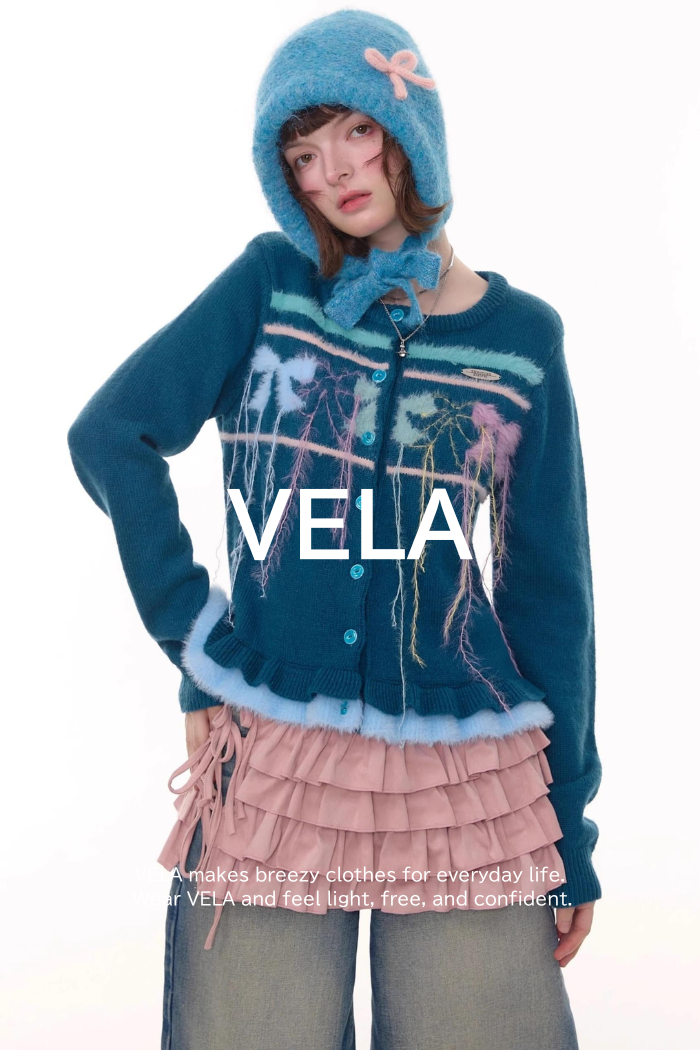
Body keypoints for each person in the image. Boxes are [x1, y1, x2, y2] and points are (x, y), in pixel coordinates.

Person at [67, 10, 602, 1050]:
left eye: (356, 131)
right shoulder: (270, 288)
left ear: (411, 131)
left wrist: (570, 831)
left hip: (467, 783)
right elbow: (111, 436)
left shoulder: (521, 341)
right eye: (303, 156)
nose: (335, 172)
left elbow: (549, 596)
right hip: (275, 768)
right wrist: (199, 643)